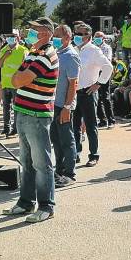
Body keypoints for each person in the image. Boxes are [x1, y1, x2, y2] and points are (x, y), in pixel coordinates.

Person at [2, 17, 59, 223]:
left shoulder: (45, 56)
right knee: (26, 161)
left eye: (35, 29)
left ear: (46, 33)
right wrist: (19, 76)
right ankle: (26, 202)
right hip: (23, 110)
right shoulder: (33, 53)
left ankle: (46, 205)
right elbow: (15, 78)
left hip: (37, 114)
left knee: (41, 163)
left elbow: (19, 80)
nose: (30, 32)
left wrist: (20, 77)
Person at [73, 23, 113, 167]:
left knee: (90, 126)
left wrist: (98, 84)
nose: (76, 36)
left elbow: (108, 67)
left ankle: (93, 155)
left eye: (80, 33)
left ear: (88, 36)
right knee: (75, 125)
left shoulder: (94, 51)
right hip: (74, 92)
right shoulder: (74, 49)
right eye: (75, 33)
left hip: (87, 92)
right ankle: (76, 153)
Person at [50, 25, 80, 187]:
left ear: (67, 38)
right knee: (56, 139)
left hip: (64, 105)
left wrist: (67, 107)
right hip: (54, 104)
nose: (54, 39)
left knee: (67, 140)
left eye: (57, 36)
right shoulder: (57, 53)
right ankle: (59, 170)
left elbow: (73, 84)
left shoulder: (71, 56)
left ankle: (69, 173)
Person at [0, 30, 28, 136]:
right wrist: (5, 56)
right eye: (9, 36)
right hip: (5, 84)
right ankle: (6, 127)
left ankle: (15, 128)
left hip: (17, 85)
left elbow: (27, 68)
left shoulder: (23, 50)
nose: (11, 38)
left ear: (18, 37)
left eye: (13, 36)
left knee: (17, 108)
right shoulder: (3, 50)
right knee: (6, 107)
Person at [93, 31, 115, 128]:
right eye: (95, 36)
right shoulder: (93, 47)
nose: (97, 38)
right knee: (97, 97)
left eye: (99, 37)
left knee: (105, 97)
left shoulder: (107, 48)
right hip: (94, 73)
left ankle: (111, 120)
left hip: (103, 73)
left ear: (103, 38)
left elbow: (107, 61)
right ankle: (102, 120)